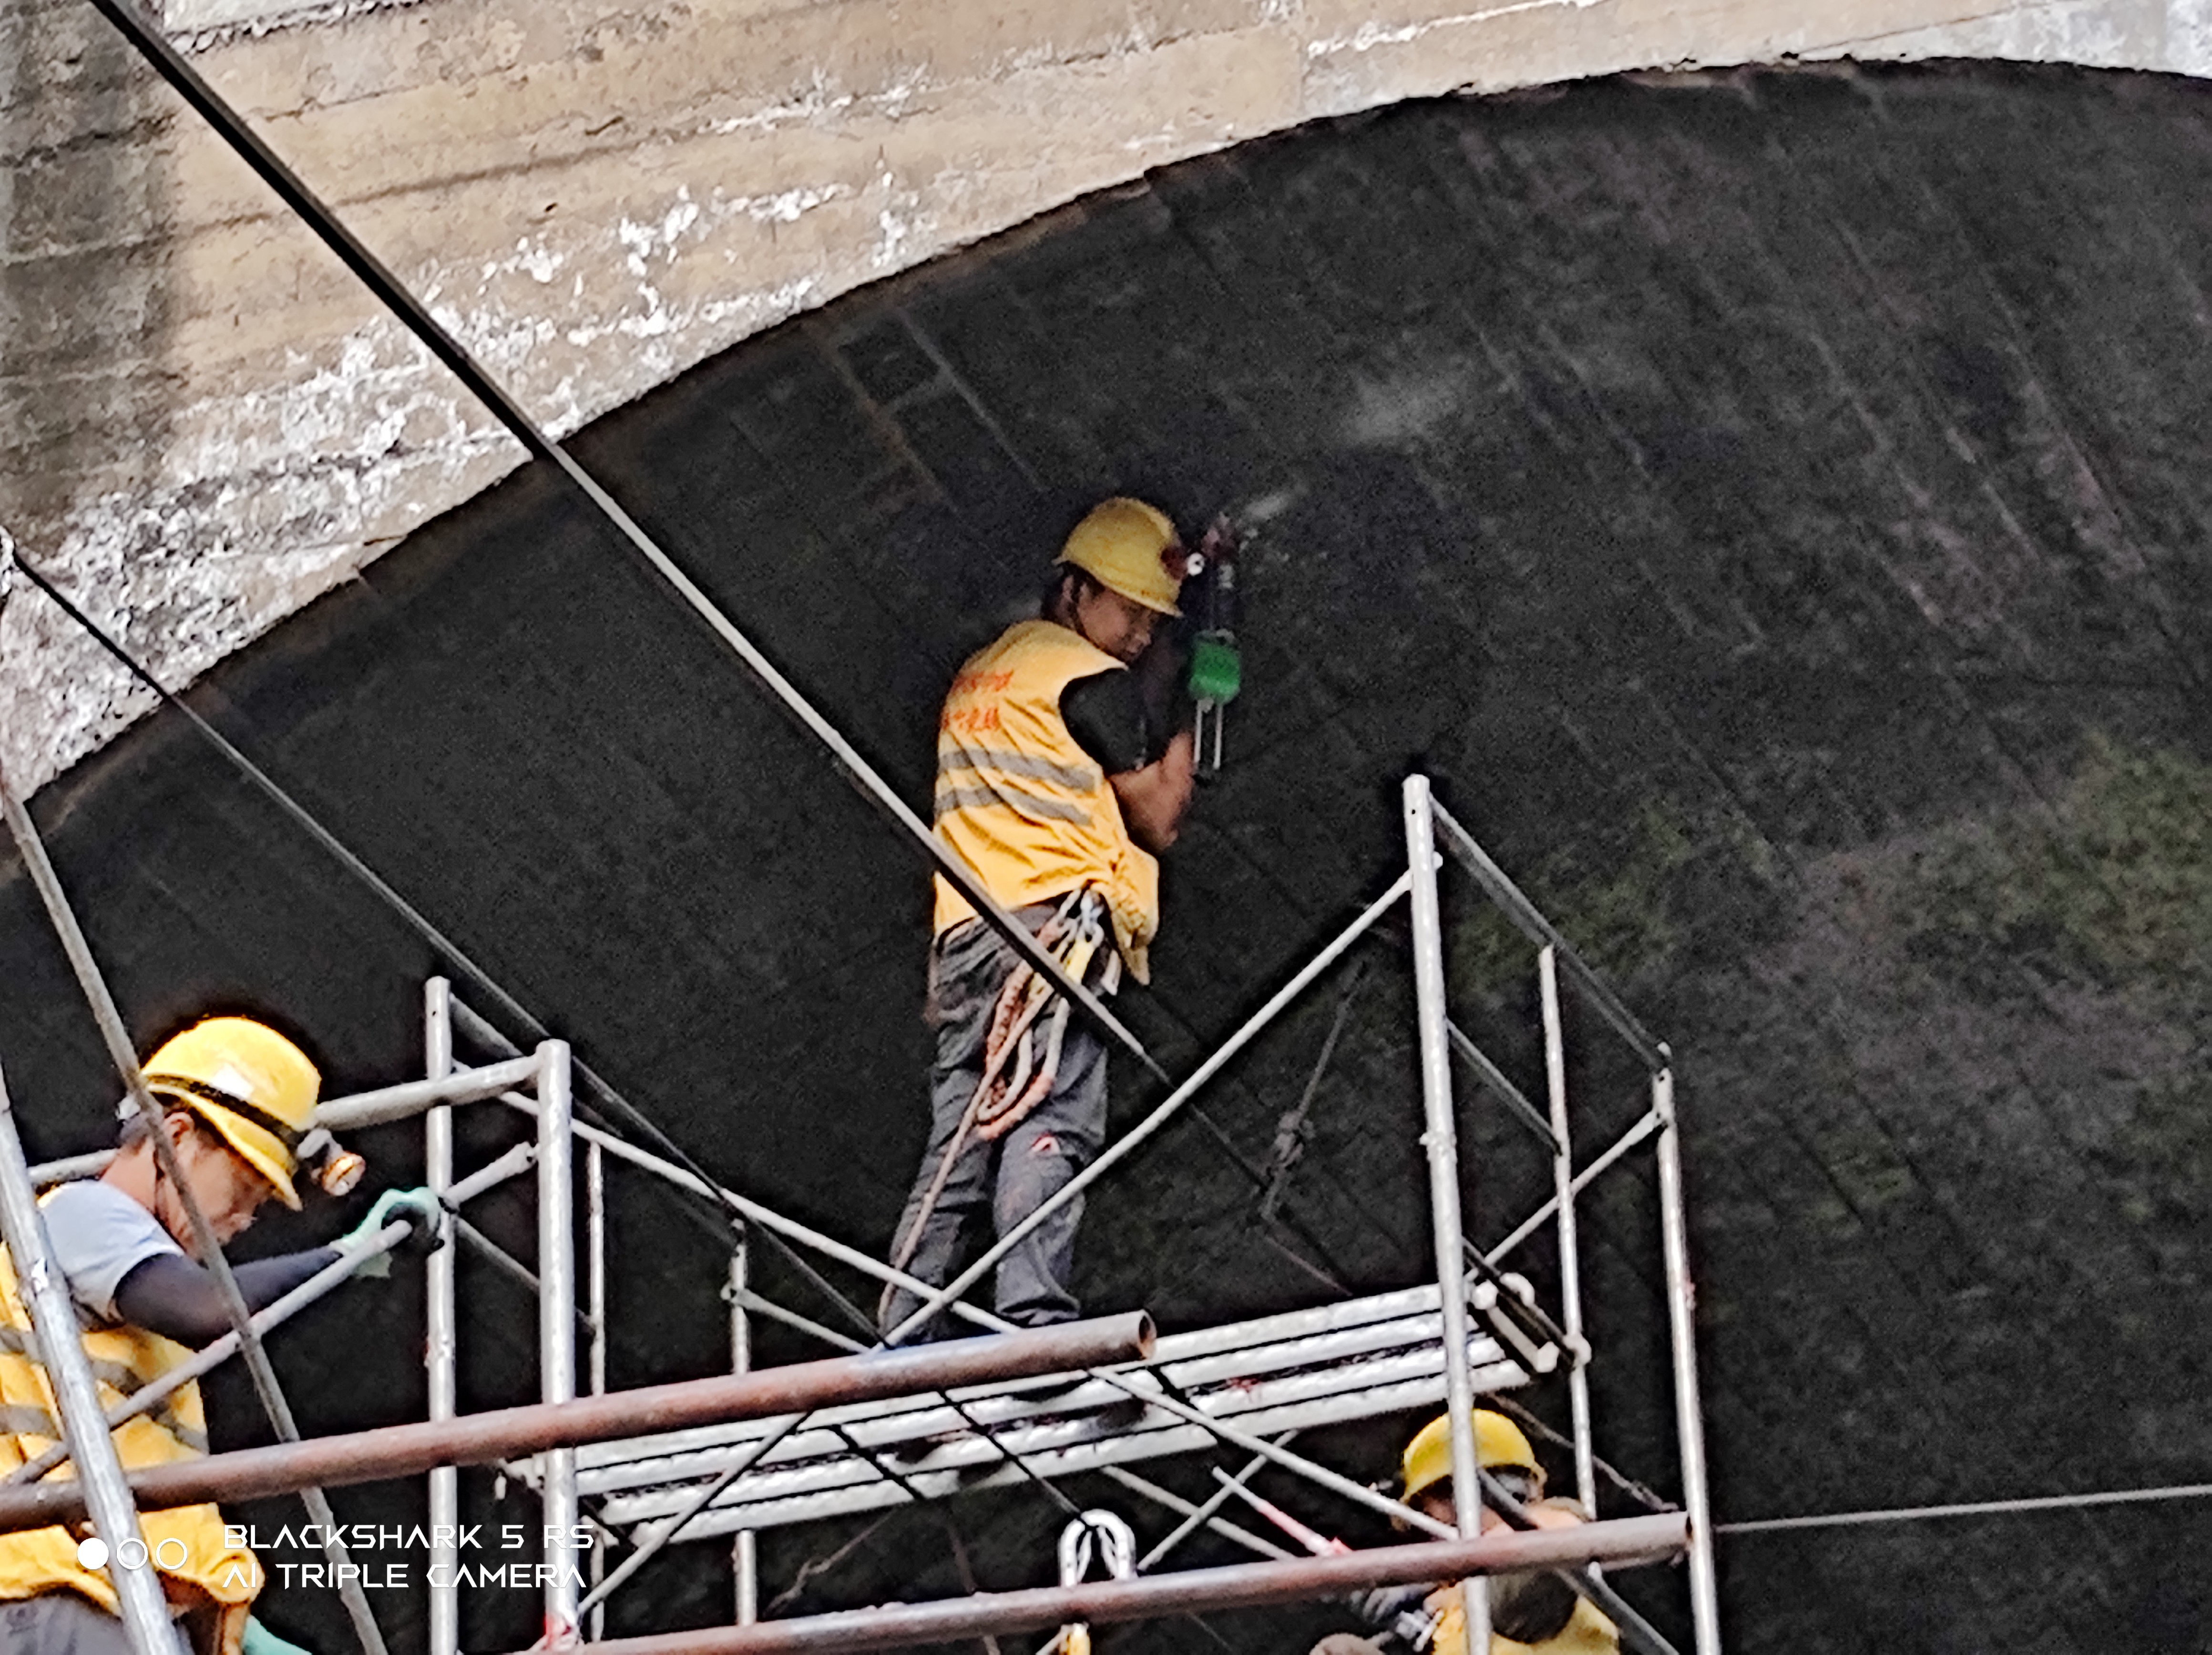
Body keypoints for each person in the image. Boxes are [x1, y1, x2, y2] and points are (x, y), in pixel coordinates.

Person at [0, 1016, 440, 1655]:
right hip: (54, 1608)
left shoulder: (127, 1313)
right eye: (243, 1187)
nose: (245, 1218)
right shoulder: (81, 1217)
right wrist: (349, 1255)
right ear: (175, 1137)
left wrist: (247, 1638)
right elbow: (207, 1308)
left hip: (92, 1607)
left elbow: (156, 1512)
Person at [879, 497, 1198, 1337]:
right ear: (1073, 590)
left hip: (970, 935)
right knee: (1044, 1116)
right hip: (1055, 932)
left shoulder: (987, 674)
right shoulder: (1087, 682)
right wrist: (1204, 697)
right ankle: (1033, 1311)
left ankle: (906, 1325)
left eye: (1152, 620)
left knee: (961, 1130)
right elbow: (1158, 817)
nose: (1138, 634)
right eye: (1128, 610)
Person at [1310, 1409, 1618, 1655]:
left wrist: (1427, 1578)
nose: (1426, 1532)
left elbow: (1553, 1543)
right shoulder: (1453, 1606)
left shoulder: (1551, 1530)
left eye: (1424, 1511)